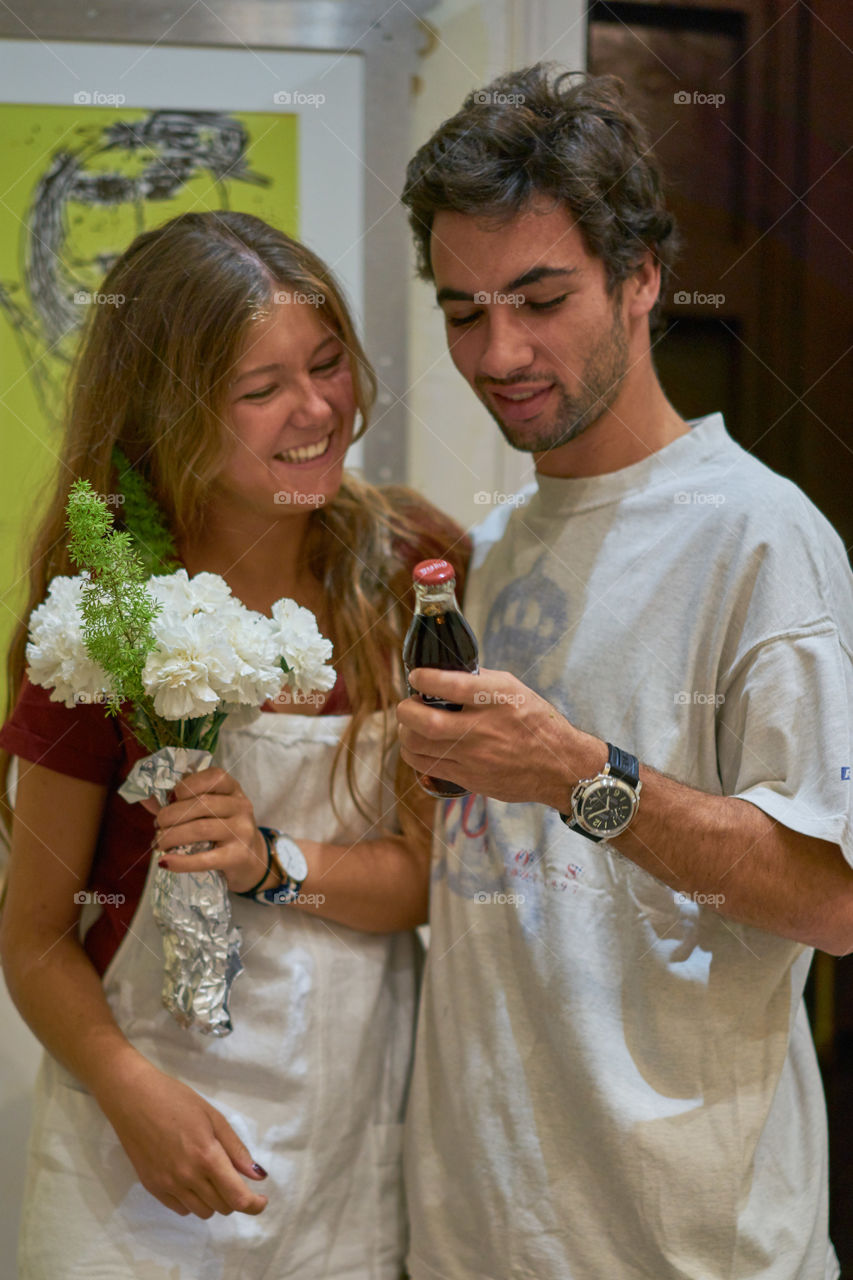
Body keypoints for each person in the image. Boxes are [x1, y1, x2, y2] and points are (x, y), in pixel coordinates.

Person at [397, 65, 853, 1280]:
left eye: (542, 298)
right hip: (473, 1236)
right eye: (462, 311)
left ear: (642, 275)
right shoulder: (494, 547)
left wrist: (575, 773)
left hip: (685, 1246)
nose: (499, 352)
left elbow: (832, 897)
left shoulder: (761, 537)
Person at [0, 210, 466, 1278]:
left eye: (328, 363)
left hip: (347, 1156)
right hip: (138, 1173)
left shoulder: (412, 568)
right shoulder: (103, 620)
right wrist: (127, 1087)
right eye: (261, 389)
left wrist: (271, 863)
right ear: (167, 413)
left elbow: (426, 876)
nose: (317, 410)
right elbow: (33, 941)